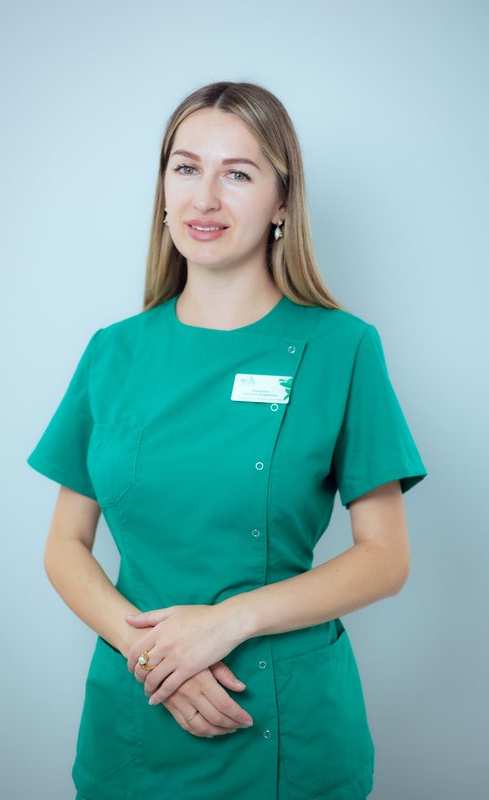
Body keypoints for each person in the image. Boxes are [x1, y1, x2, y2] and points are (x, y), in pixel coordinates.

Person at [27, 80, 427, 800]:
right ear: (162, 190)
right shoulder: (113, 352)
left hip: (283, 723)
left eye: (237, 174)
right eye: (186, 168)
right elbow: (64, 544)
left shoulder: (340, 348)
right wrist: (153, 655)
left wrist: (226, 624)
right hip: (138, 717)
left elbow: (385, 558)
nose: (204, 198)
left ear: (282, 203)